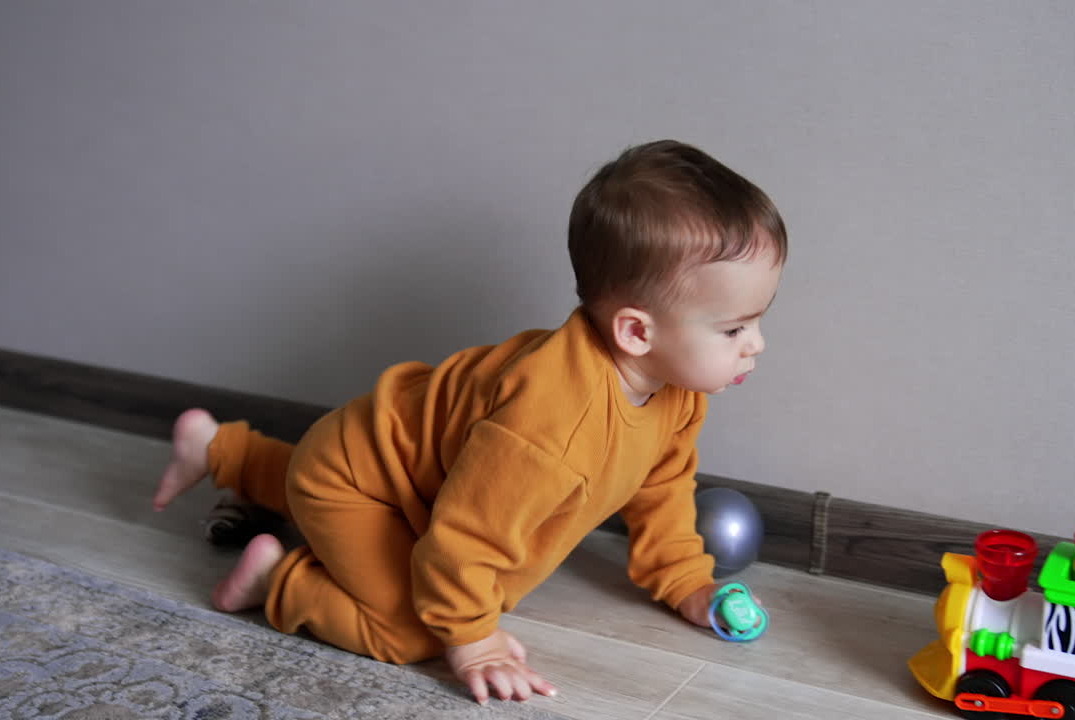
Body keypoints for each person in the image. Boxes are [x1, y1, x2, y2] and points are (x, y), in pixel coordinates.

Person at [152, 139, 787, 705]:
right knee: (411, 629)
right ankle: (275, 583)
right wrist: (474, 641)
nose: (755, 344)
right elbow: (463, 543)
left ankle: (220, 449)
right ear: (636, 331)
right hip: (357, 479)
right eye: (734, 329)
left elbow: (662, 493)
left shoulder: (675, 391)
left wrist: (686, 585)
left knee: (356, 478)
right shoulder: (552, 427)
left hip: (387, 456)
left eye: (757, 320)